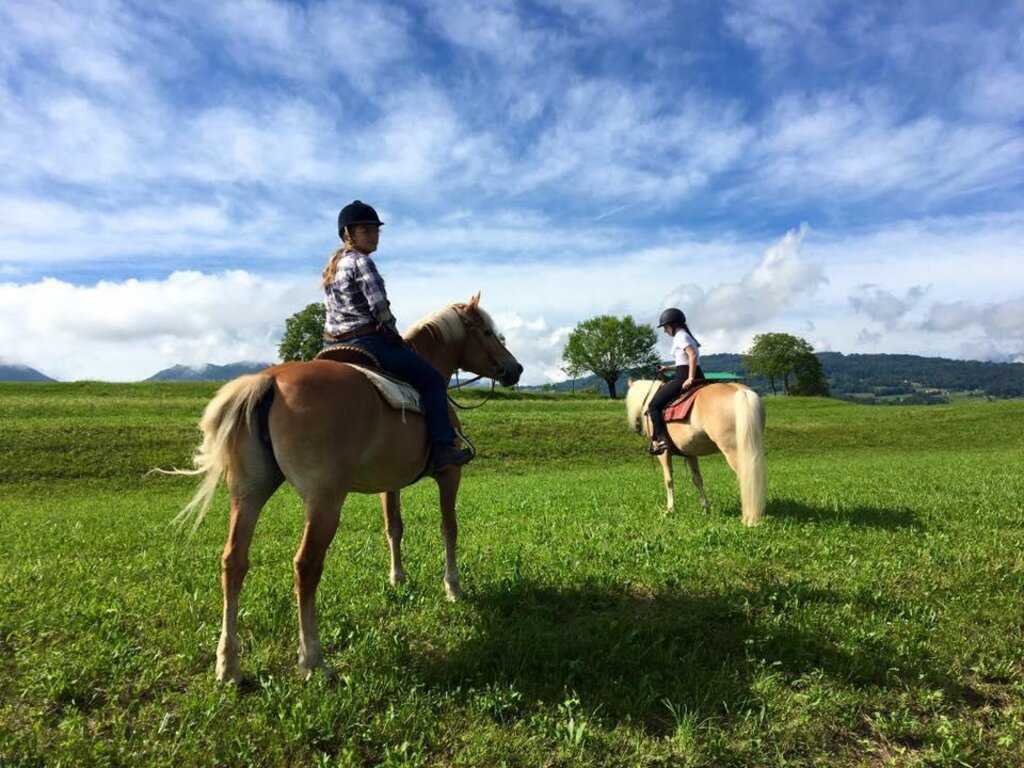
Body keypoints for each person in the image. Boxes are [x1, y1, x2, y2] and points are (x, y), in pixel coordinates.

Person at [321, 200, 473, 473]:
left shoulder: (333, 266)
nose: (373, 234)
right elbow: (379, 308)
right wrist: (394, 335)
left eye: (376, 230)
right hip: (365, 341)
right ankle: (442, 449)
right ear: (348, 233)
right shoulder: (362, 262)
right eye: (365, 230)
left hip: (333, 344)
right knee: (432, 381)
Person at [646, 307, 706, 455]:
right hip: (696, 374)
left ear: (673, 325)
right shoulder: (687, 336)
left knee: (653, 406)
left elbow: (691, 356)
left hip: (684, 377)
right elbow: (684, 362)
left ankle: (661, 440)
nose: (665, 331)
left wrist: (690, 378)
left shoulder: (680, 336)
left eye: (665, 327)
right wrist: (668, 369)